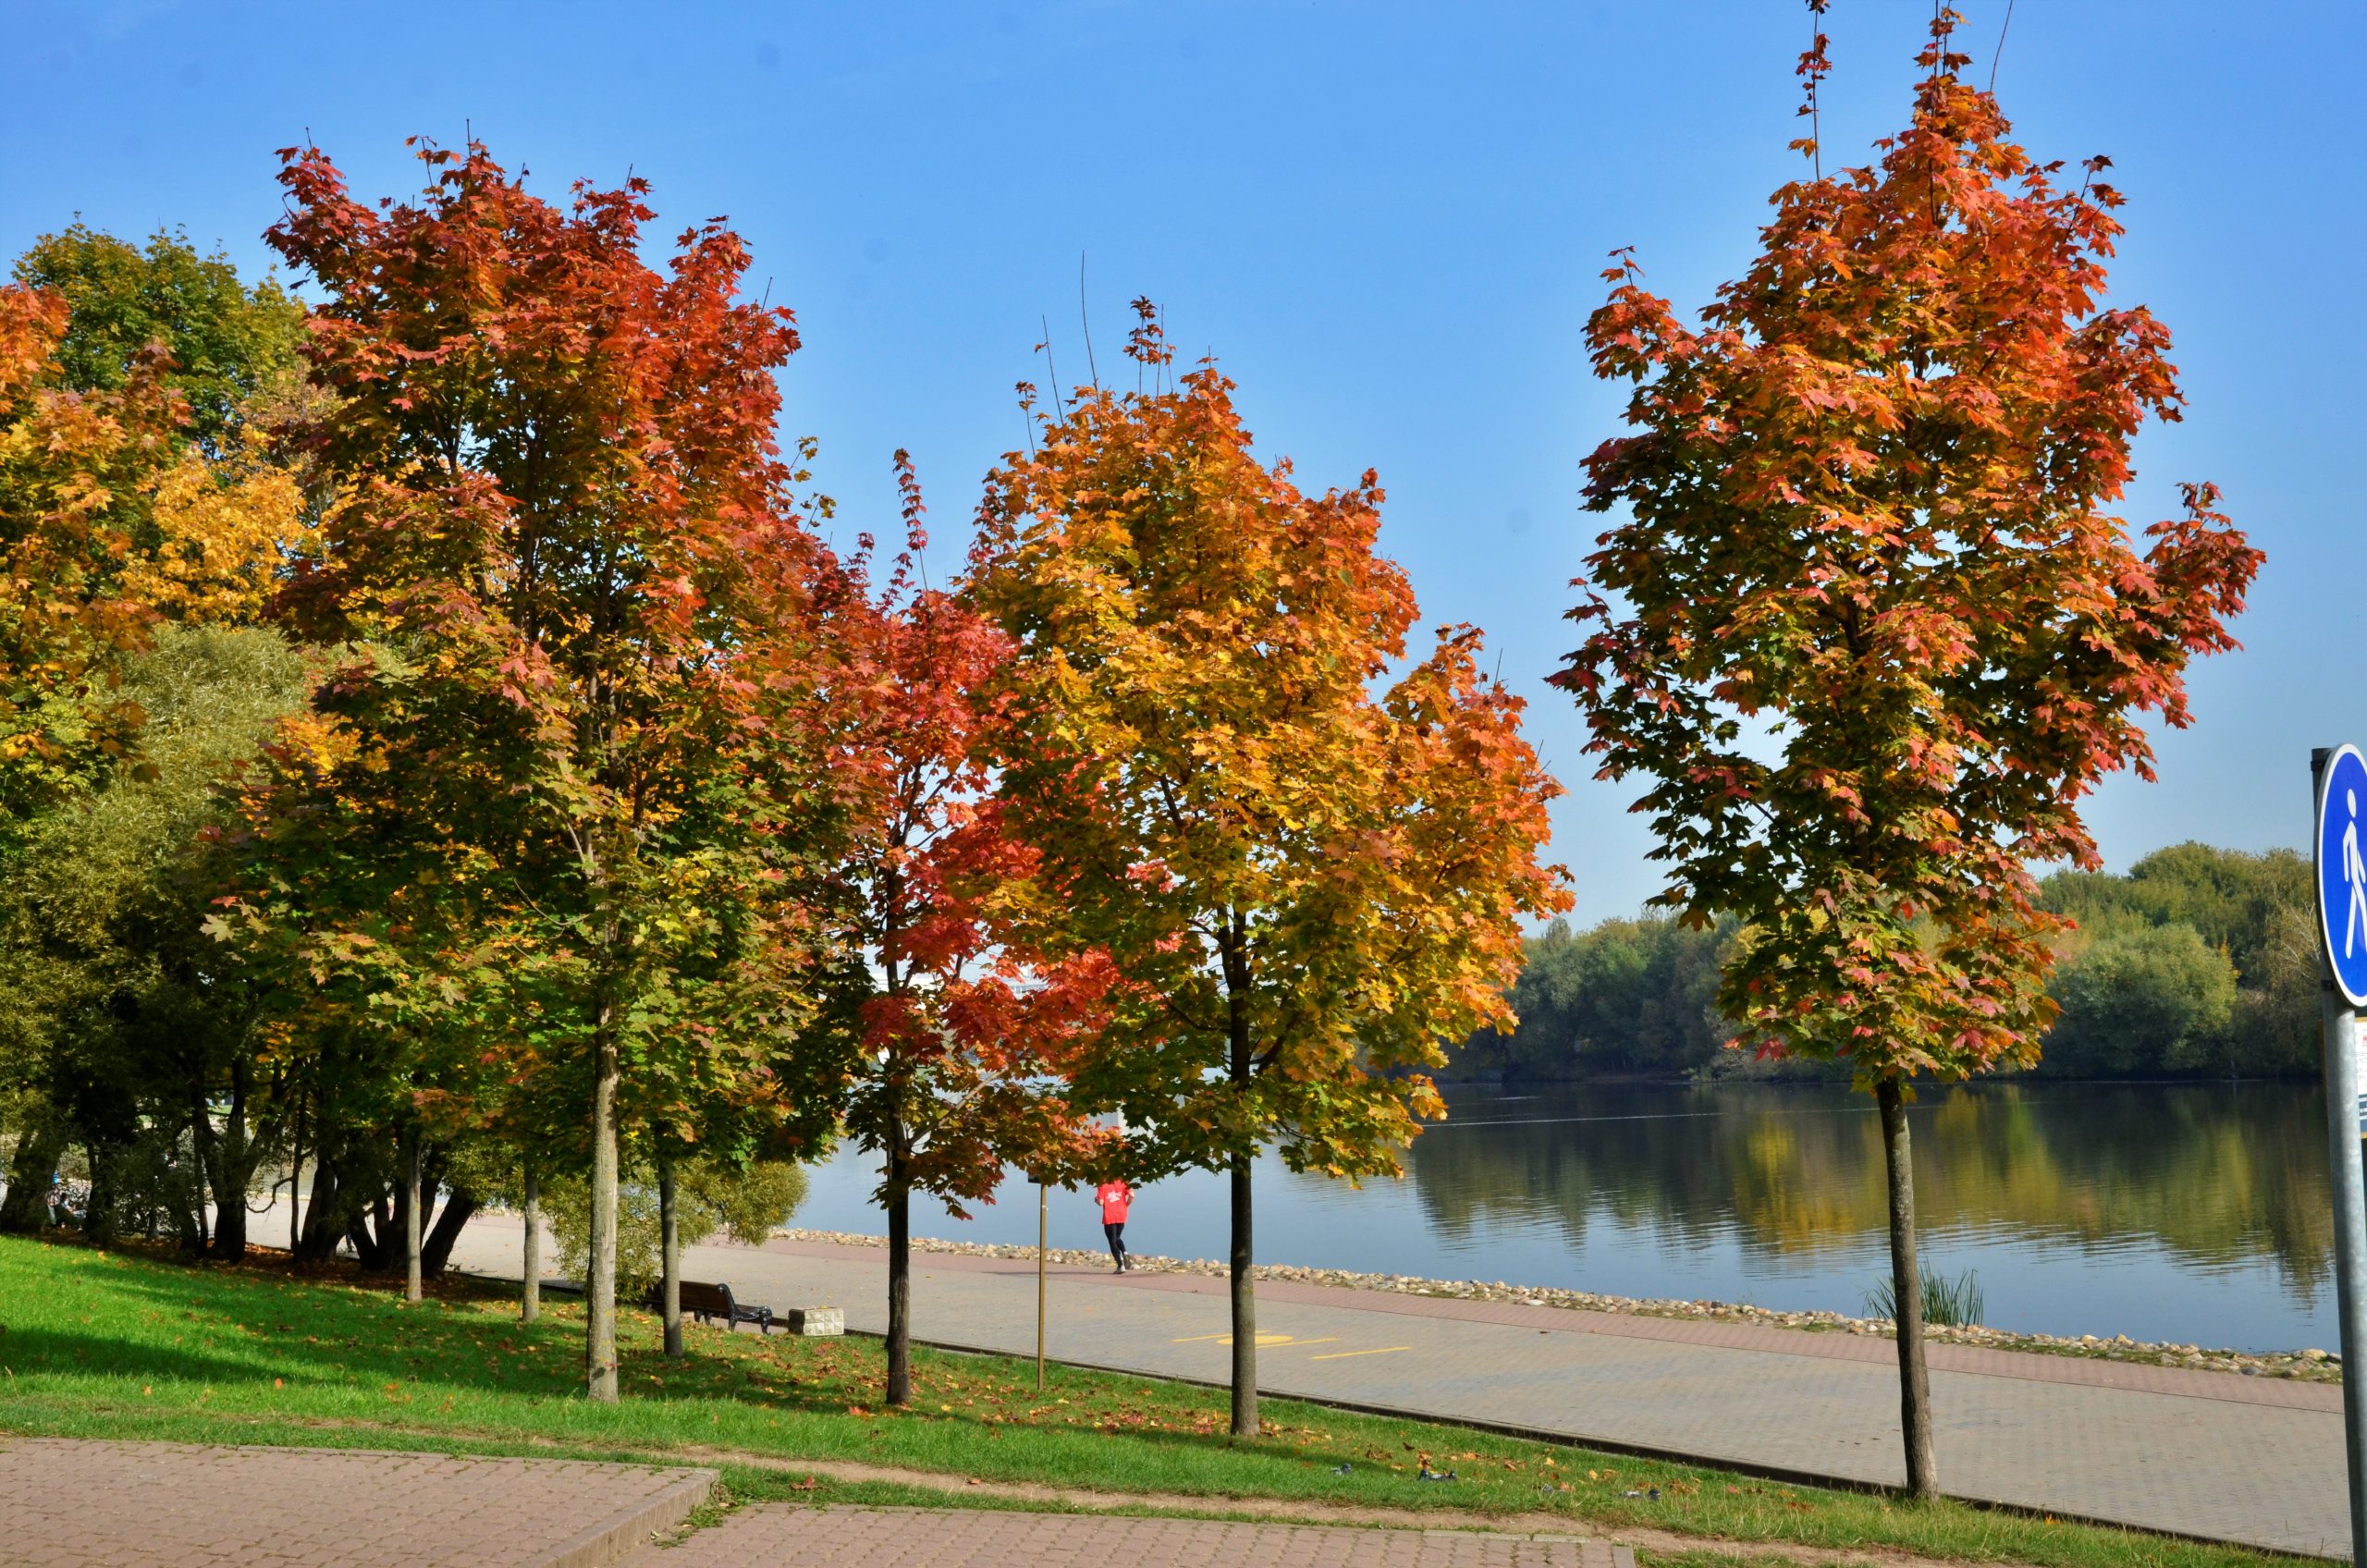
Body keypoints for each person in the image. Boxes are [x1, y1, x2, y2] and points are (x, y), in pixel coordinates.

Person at [1095, 1176, 1134, 1272]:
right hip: (1121, 1214)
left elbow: (1101, 1202)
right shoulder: (1123, 1180)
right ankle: (1124, 1252)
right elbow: (1132, 1195)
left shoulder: (1102, 1182)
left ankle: (1121, 1266)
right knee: (1117, 1238)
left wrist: (1096, 1200)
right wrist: (1126, 1206)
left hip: (1110, 1215)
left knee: (1112, 1241)